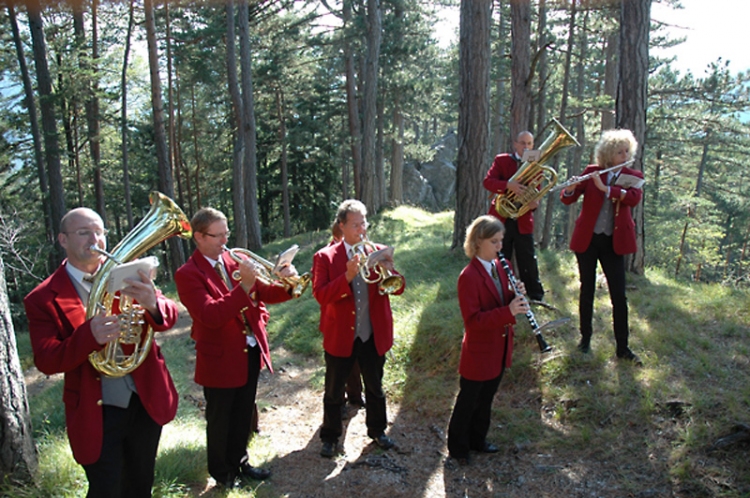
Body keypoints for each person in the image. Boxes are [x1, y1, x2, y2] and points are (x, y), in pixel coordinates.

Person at [24, 207, 179, 498]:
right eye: (84, 233)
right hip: (97, 409)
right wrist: (88, 336)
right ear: (62, 240)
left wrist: (153, 304)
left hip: (144, 398)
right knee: (107, 488)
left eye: (99, 232)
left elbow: (168, 317)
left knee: (141, 481)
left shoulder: (126, 271)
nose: (94, 239)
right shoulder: (42, 298)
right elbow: (46, 360)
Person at [174, 207, 298, 489]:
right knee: (220, 420)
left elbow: (265, 292)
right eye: (217, 235)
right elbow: (210, 315)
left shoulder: (234, 261)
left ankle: (241, 462)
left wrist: (289, 281)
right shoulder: (187, 274)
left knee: (244, 412)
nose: (224, 241)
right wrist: (245, 287)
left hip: (249, 350)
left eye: (226, 233)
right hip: (219, 357)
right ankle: (223, 474)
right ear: (199, 237)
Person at [312, 199, 405, 458]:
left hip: (372, 333)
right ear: (341, 226)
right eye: (355, 224)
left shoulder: (376, 250)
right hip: (341, 334)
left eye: (364, 222)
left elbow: (398, 287)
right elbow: (320, 295)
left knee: (375, 387)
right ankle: (330, 436)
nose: (361, 228)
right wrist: (348, 276)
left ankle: (377, 430)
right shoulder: (325, 257)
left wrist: (389, 271)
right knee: (334, 390)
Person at [447, 215, 530, 465]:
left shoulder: (500, 267)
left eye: (501, 241)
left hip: (500, 346)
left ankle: (477, 440)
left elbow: (502, 299)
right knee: (468, 402)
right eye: (494, 241)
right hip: (479, 351)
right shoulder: (468, 276)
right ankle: (458, 449)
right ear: (478, 242)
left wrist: (516, 295)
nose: (500, 246)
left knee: (486, 400)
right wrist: (509, 311)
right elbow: (473, 321)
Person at [560, 129, 644, 364]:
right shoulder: (592, 172)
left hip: (613, 242)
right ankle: (585, 339)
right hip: (588, 240)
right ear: (608, 153)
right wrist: (569, 188)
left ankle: (623, 347)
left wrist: (607, 189)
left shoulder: (632, 175)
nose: (625, 155)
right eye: (619, 152)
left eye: (627, 151)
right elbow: (568, 199)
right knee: (587, 289)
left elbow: (633, 198)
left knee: (619, 294)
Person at [483, 130, 545, 301]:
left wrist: (534, 204)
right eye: (523, 143)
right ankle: (498, 293)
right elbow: (488, 182)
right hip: (501, 218)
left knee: (528, 259)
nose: (526, 147)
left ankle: (535, 296)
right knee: (500, 256)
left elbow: (536, 191)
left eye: (530, 144)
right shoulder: (502, 160)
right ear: (515, 144)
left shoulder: (536, 164)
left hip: (523, 219)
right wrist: (507, 185)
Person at [329, 220, 366, 409]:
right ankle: (341, 402)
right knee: (340, 367)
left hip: (361, 322)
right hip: (338, 320)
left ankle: (356, 395)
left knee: (357, 364)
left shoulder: (364, 250)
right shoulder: (328, 254)